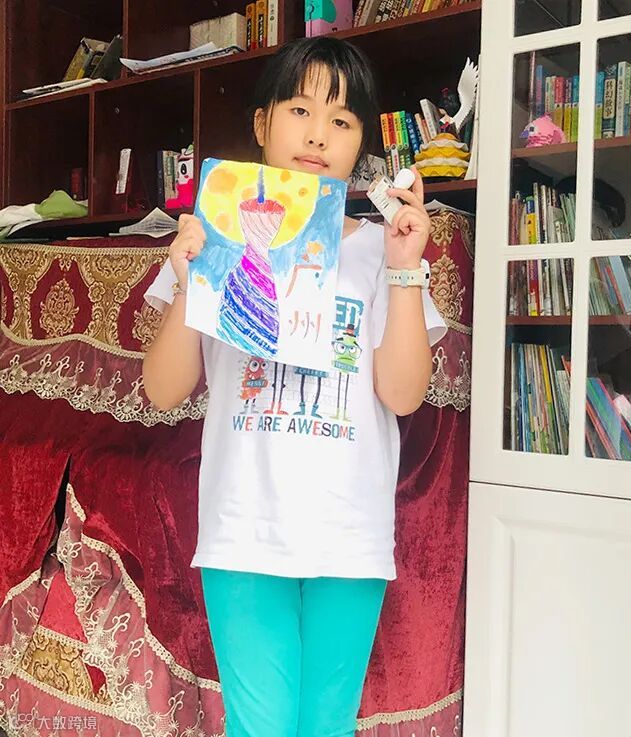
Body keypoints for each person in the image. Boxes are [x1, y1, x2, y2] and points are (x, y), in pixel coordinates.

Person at [142, 35, 446, 737]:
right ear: (262, 123)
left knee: (325, 725)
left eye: (341, 121)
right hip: (244, 530)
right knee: (263, 726)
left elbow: (403, 394)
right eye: (300, 110)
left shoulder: (378, 251)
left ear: (362, 143)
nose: (317, 135)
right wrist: (188, 281)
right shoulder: (215, 237)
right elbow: (163, 390)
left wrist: (406, 265)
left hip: (349, 534)